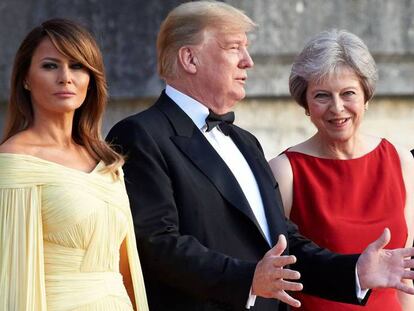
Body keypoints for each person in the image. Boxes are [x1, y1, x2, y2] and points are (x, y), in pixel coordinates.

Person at [107, 2, 414, 310]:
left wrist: (355, 271)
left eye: (247, 48)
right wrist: (248, 279)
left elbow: (286, 246)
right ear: (189, 58)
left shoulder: (245, 142)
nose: (248, 61)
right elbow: (157, 245)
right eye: (234, 48)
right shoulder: (140, 134)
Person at [0, 19, 149, 311]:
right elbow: (10, 279)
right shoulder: (14, 161)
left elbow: (125, 268)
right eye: (50, 66)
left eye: (78, 66)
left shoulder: (107, 162)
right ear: (26, 79)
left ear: (91, 78)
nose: (66, 77)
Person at [269, 29, 414, 311]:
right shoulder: (284, 171)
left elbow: (407, 278)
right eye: (322, 96)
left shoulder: (401, 161)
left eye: (348, 93)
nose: (337, 108)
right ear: (306, 104)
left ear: (366, 97)